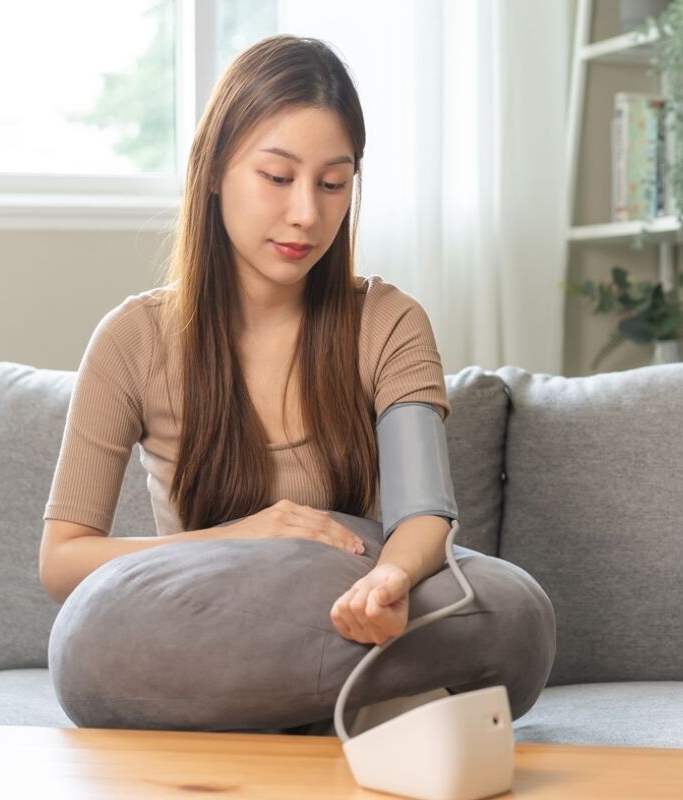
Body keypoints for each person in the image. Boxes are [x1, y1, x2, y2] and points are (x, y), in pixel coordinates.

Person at [38, 35, 462, 730]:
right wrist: (241, 538)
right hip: (205, 635)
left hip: (350, 618)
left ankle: (334, 694)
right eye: (277, 176)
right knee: (87, 647)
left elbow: (424, 513)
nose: (306, 214)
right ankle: (356, 702)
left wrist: (390, 578)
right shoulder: (132, 339)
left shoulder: (390, 321)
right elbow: (62, 562)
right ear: (213, 171)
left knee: (512, 606)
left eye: (333, 184)